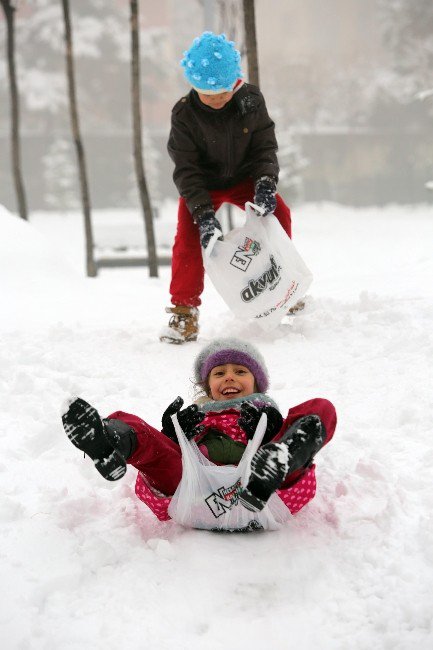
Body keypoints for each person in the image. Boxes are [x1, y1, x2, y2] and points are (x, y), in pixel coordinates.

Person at [62, 338, 337, 523]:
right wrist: (172, 433)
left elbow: (285, 424)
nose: (229, 376)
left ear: (257, 383)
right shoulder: (196, 415)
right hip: (193, 490)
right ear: (208, 388)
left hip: (263, 492)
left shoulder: (266, 414)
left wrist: (270, 431)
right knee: (132, 424)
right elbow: (168, 456)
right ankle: (111, 441)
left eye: (240, 371)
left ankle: (285, 455)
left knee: (319, 407)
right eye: (219, 374)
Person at [160, 31, 294, 344]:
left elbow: (264, 147)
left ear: (234, 82)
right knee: (189, 238)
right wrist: (204, 214)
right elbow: (186, 169)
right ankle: (184, 312)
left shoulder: (250, 99)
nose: (217, 99)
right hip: (203, 186)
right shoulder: (183, 114)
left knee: (280, 215)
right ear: (194, 87)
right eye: (208, 94)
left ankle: (285, 283)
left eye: (223, 92)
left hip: (246, 177)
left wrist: (265, 182)